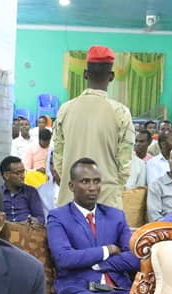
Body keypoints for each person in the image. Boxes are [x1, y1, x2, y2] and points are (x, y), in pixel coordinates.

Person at [47, 158, 139, 294]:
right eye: (85, 181)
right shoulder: (58, 217)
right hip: (79, 290)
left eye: (96, 181)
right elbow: (64, 258)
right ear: (72, 186)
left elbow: (134, 258)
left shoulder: (115, 216)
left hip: (117, 289)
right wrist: (107, 250)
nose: (92, 188)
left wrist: (101, 264)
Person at [52, 45, 135, 209]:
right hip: (106, 202)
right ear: (111, 76)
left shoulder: (65, 110)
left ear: (85, 74)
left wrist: (76, 185)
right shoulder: (121, 113)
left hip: (71, 201)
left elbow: (58, 159)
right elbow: (125, 165)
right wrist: (112, 189)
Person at [0, 156, 46, 223]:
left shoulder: (31, 191)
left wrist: (34, 221)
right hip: (5, 228)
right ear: (6, 175)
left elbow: (40, 218)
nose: (23, 176)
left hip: (27, 228)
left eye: (23, 172)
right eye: (18, 173)